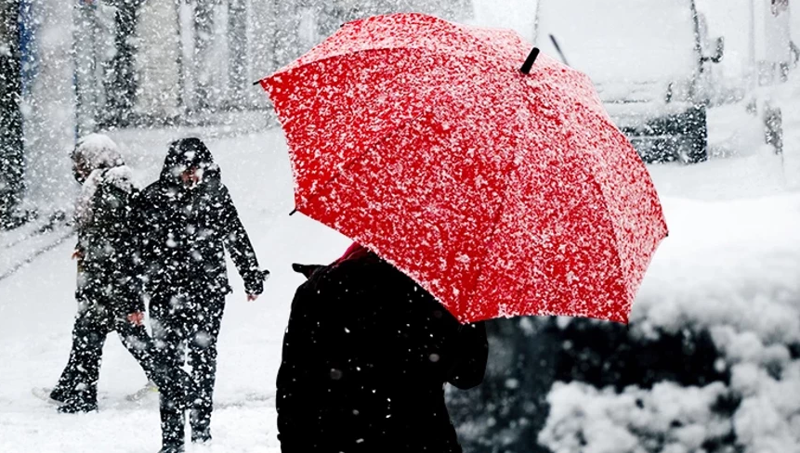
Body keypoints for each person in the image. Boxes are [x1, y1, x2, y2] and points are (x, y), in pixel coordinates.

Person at [277, 243, 488, 453]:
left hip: (340, 439)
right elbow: (468, 374)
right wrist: (470, 313)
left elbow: (294, 387)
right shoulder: (442, 291)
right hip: (420, 438)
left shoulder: (321, 289)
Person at [137, 137, 267, 452]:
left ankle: (201, 430)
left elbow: (235, 235)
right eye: (185, 169)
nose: (190, 175)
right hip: (167, 293)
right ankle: (171, 438)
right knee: (168, 364)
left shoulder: (215, 195)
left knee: (203, 358)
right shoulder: (154, 198)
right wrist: (138, 286)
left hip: (208, 291)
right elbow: (137, 248)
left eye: (195, 168)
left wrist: (251, 275)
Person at [39, 134, 160, 413]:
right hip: (103, 279)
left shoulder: (110, 189)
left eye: (81, 163)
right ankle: (70, 389)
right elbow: (103, 233)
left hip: (108, 282)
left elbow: (120, 241)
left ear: (97, 159)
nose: (77, 170)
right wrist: (85, 247)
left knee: (97, 335)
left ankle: (82, 396)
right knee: (95, 334)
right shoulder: (103, 185)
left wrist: (126, 292)